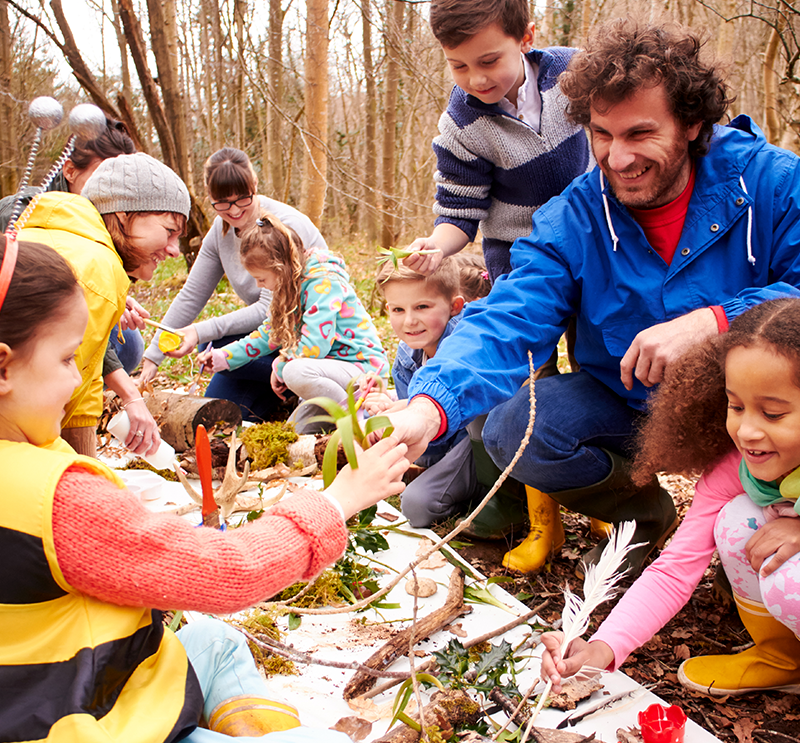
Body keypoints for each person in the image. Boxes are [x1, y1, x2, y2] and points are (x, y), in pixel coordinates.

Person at [377, 18, 800, 578]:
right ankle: (643, 517)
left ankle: (763, 515)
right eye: (602, 134)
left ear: (692, 123)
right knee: (515, 428)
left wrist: (719, 320)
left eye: (640, 134)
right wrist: (431, 405)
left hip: (762, 406)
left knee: (752, 559)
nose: (618, 158)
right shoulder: (574, 216)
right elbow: (511, 315)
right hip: (632, 401)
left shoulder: (772, 182)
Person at [0, 235, 410, 740]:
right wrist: (337, 500)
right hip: (97, 722)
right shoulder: (56, 497)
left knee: (213, 640)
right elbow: (227, 573)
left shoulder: (29, 461)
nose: (79, 380)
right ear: (3, 368)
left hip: (50, 685)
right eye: (68, 359)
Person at [541, 297, 800, 697]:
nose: (746, 430)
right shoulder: (737, 469)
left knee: (790, 583)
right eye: (736, 406)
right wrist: (601, 648)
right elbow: (675, 570)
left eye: (773, 414)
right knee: (735, 521)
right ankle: (783, 658)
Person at [18, 152, 191, 458]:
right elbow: (41, 398)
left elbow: (83, 381)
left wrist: (87, 459)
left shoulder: (74, 242)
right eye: (169, 231)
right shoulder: (95, 267)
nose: (175, 250)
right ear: (124, 214)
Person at [140, 148, 328, 422]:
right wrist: (154, 355)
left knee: (219, 347)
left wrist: (198, 332)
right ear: (211, 198)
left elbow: (267, 308)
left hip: (311, 339)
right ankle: (281, 396)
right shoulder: (220, 230)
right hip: (270, 337)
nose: (235, 210)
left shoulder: (283, 226)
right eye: (223, 203)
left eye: (243, 199)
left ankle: (299, 384)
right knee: (217, 417)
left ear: (254, 185)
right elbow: (192, 295)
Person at [200, 212, 388, 433]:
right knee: (294, 435)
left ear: (281, 268)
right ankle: (341, 419)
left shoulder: (323, 282)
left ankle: (358, 420)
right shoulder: (287, 290)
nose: (260, 285)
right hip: (329, 379)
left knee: (293, 371)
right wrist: (223, 356)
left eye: (262, 278)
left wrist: (280, 365)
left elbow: (316, 345)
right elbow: (267, 336)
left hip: (361, 372)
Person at [0, 117, 148, 377]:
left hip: (57, 323)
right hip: (20, 329)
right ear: (69, 170)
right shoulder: (23, 212)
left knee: (130, 344)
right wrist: (129, 395)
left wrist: (114, 301)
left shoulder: (103, 219)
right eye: (103, 175)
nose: (113, 189)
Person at [365, 257, 491, 527]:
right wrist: (394, 410)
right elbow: (425, 441)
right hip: (442, 444)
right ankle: (452, 483)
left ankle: (491, 492)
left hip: (478, 443)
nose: (410, 321)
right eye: (398, 309)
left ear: (455, 306)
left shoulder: (466, 345)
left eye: (422, 306)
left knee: (417, 506)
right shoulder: (406, 356)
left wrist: (406, 409)